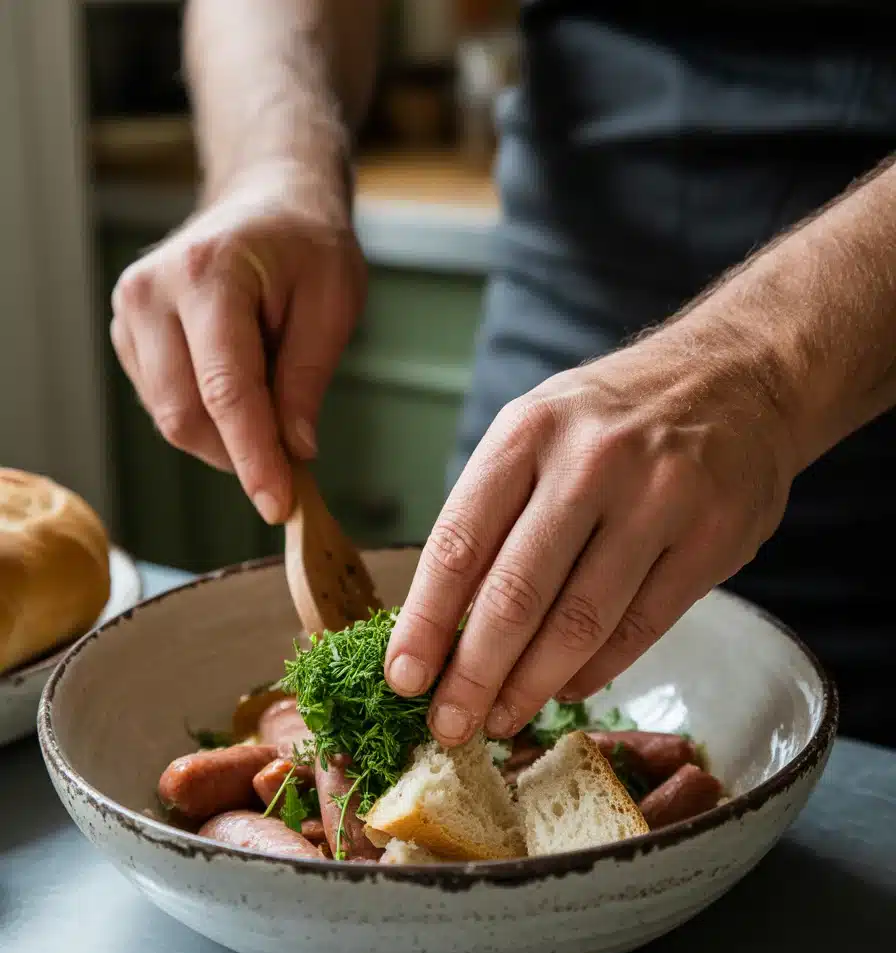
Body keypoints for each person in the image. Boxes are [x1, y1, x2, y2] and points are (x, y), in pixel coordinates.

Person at [111, 1, 896, 748]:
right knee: (472, 661)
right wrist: (273, 168)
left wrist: (763, 369)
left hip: (864, 405)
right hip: (553, 354)